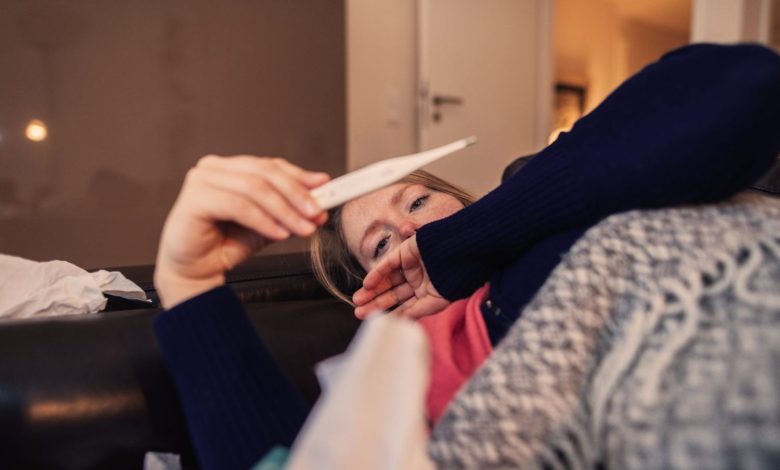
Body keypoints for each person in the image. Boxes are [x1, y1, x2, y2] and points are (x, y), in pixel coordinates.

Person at [154, 43, 780, 470]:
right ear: (373, 292)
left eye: (418, 201)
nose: (408, 230)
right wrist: (189, 282)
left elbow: (747, 84)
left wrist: (466, 242)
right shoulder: (412, 374)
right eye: (382, 244)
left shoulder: (538, 188)